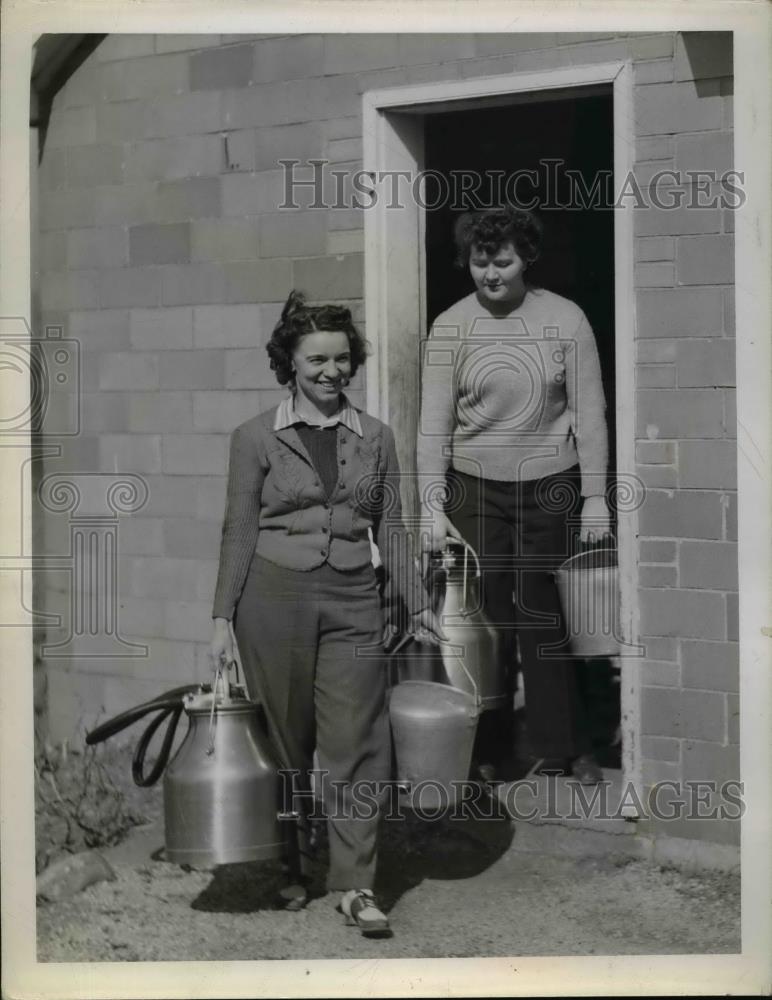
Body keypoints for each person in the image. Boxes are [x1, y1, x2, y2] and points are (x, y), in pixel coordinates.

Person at [210, 290, 443, 937]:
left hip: (352, 598)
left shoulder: (377, 438)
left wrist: (416, 602)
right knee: (285, 743)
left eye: (342, 358)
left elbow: (392, 524)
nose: (331, 371)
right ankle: (290, 861)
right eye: (316, 358)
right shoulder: (254, 436)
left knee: (357, 742)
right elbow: (237, 529)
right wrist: (220, 619)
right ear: (290, 361)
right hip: (271, 597)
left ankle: (355, 883)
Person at [417, 206, 611, 785]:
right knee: (485, 620)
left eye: (503, 261)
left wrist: (597, 498)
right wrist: (432, 508)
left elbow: (591, 415)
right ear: (467, 262)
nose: (492, 274)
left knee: (545, 616)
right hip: (475, 489)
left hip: (552, 485)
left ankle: (564, 745)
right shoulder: (452, 326)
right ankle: (485, 748)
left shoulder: (566, 319)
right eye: (480, 262)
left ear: (527, 258)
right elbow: (434, 425)